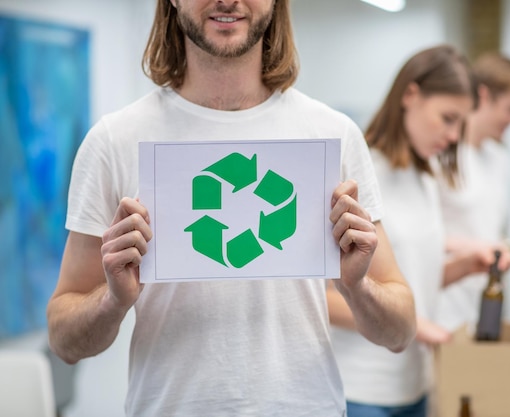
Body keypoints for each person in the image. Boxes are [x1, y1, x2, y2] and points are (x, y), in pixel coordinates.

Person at [45, 1, 417, 416]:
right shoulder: (114, 141)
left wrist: (357, 287)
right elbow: (64, 341)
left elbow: (400, 332)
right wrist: (112, 300)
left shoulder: (333, 136)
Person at [326, 45, 510, 417]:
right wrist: (417, 325)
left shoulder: (424, 179)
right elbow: (323, 296)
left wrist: (463, 266)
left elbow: (404, 280)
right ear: (410, 95)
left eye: (462, 122)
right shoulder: (355, 176)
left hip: (413, 386)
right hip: (361, 387)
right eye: (447, 118)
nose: (455, 135)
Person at [435, 52, 510, 333]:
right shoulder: (439, 154)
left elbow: (486, 231)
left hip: (484, 306)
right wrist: (475, 249)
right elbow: (416, 235)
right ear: (483, 96)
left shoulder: (499, 158)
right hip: (442, 307)